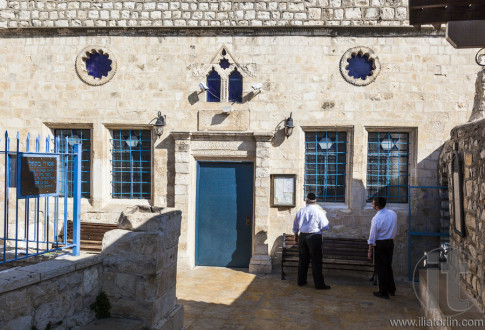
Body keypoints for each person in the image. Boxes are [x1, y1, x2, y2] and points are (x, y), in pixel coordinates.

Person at [292, 192, 331, 290]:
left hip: (303, 237)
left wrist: (296, 236)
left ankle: (301, 281)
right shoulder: (319, 212)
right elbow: (326, 226)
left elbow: (295, 226)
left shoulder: (301, 211)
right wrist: (319, 229)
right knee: (316, 261)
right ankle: (319, 284)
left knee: (303, 260)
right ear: (315, 201)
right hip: (314, 237)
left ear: (306, 201)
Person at [367, 196, 397, 299]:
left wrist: (370, 251)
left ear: (376, 206)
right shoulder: (393, 214)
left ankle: (383, 292)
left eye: (373, 203)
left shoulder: (376, 219)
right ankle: (391, 289)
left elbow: (372, 237)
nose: (372, 205)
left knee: (381, 269)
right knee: (388, 266)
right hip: (390, 243)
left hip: (380, 244)